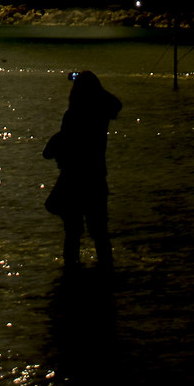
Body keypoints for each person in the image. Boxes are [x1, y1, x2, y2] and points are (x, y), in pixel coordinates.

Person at [41, 71, 121, 267]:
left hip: (73, 180)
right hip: (95, 179)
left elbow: (56, 148)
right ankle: (105, 271)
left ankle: (71, 273)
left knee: (73, 233)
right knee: (100, 232)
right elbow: (116, 104)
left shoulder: (72, 116)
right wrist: (97, 89)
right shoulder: (101, 115)